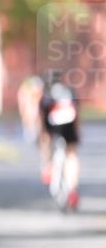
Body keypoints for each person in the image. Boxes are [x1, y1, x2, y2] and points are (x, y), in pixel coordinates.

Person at [38, 72, 81, 210]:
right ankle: (72, 190)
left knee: (46, 139)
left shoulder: (45, 97)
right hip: (69, 122)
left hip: (53, 123)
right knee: (71, 154)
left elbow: (42, 123)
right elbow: (77, 116)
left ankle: (48, 166)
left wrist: (43, 138)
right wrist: (76, 135)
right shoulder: (70, 92)